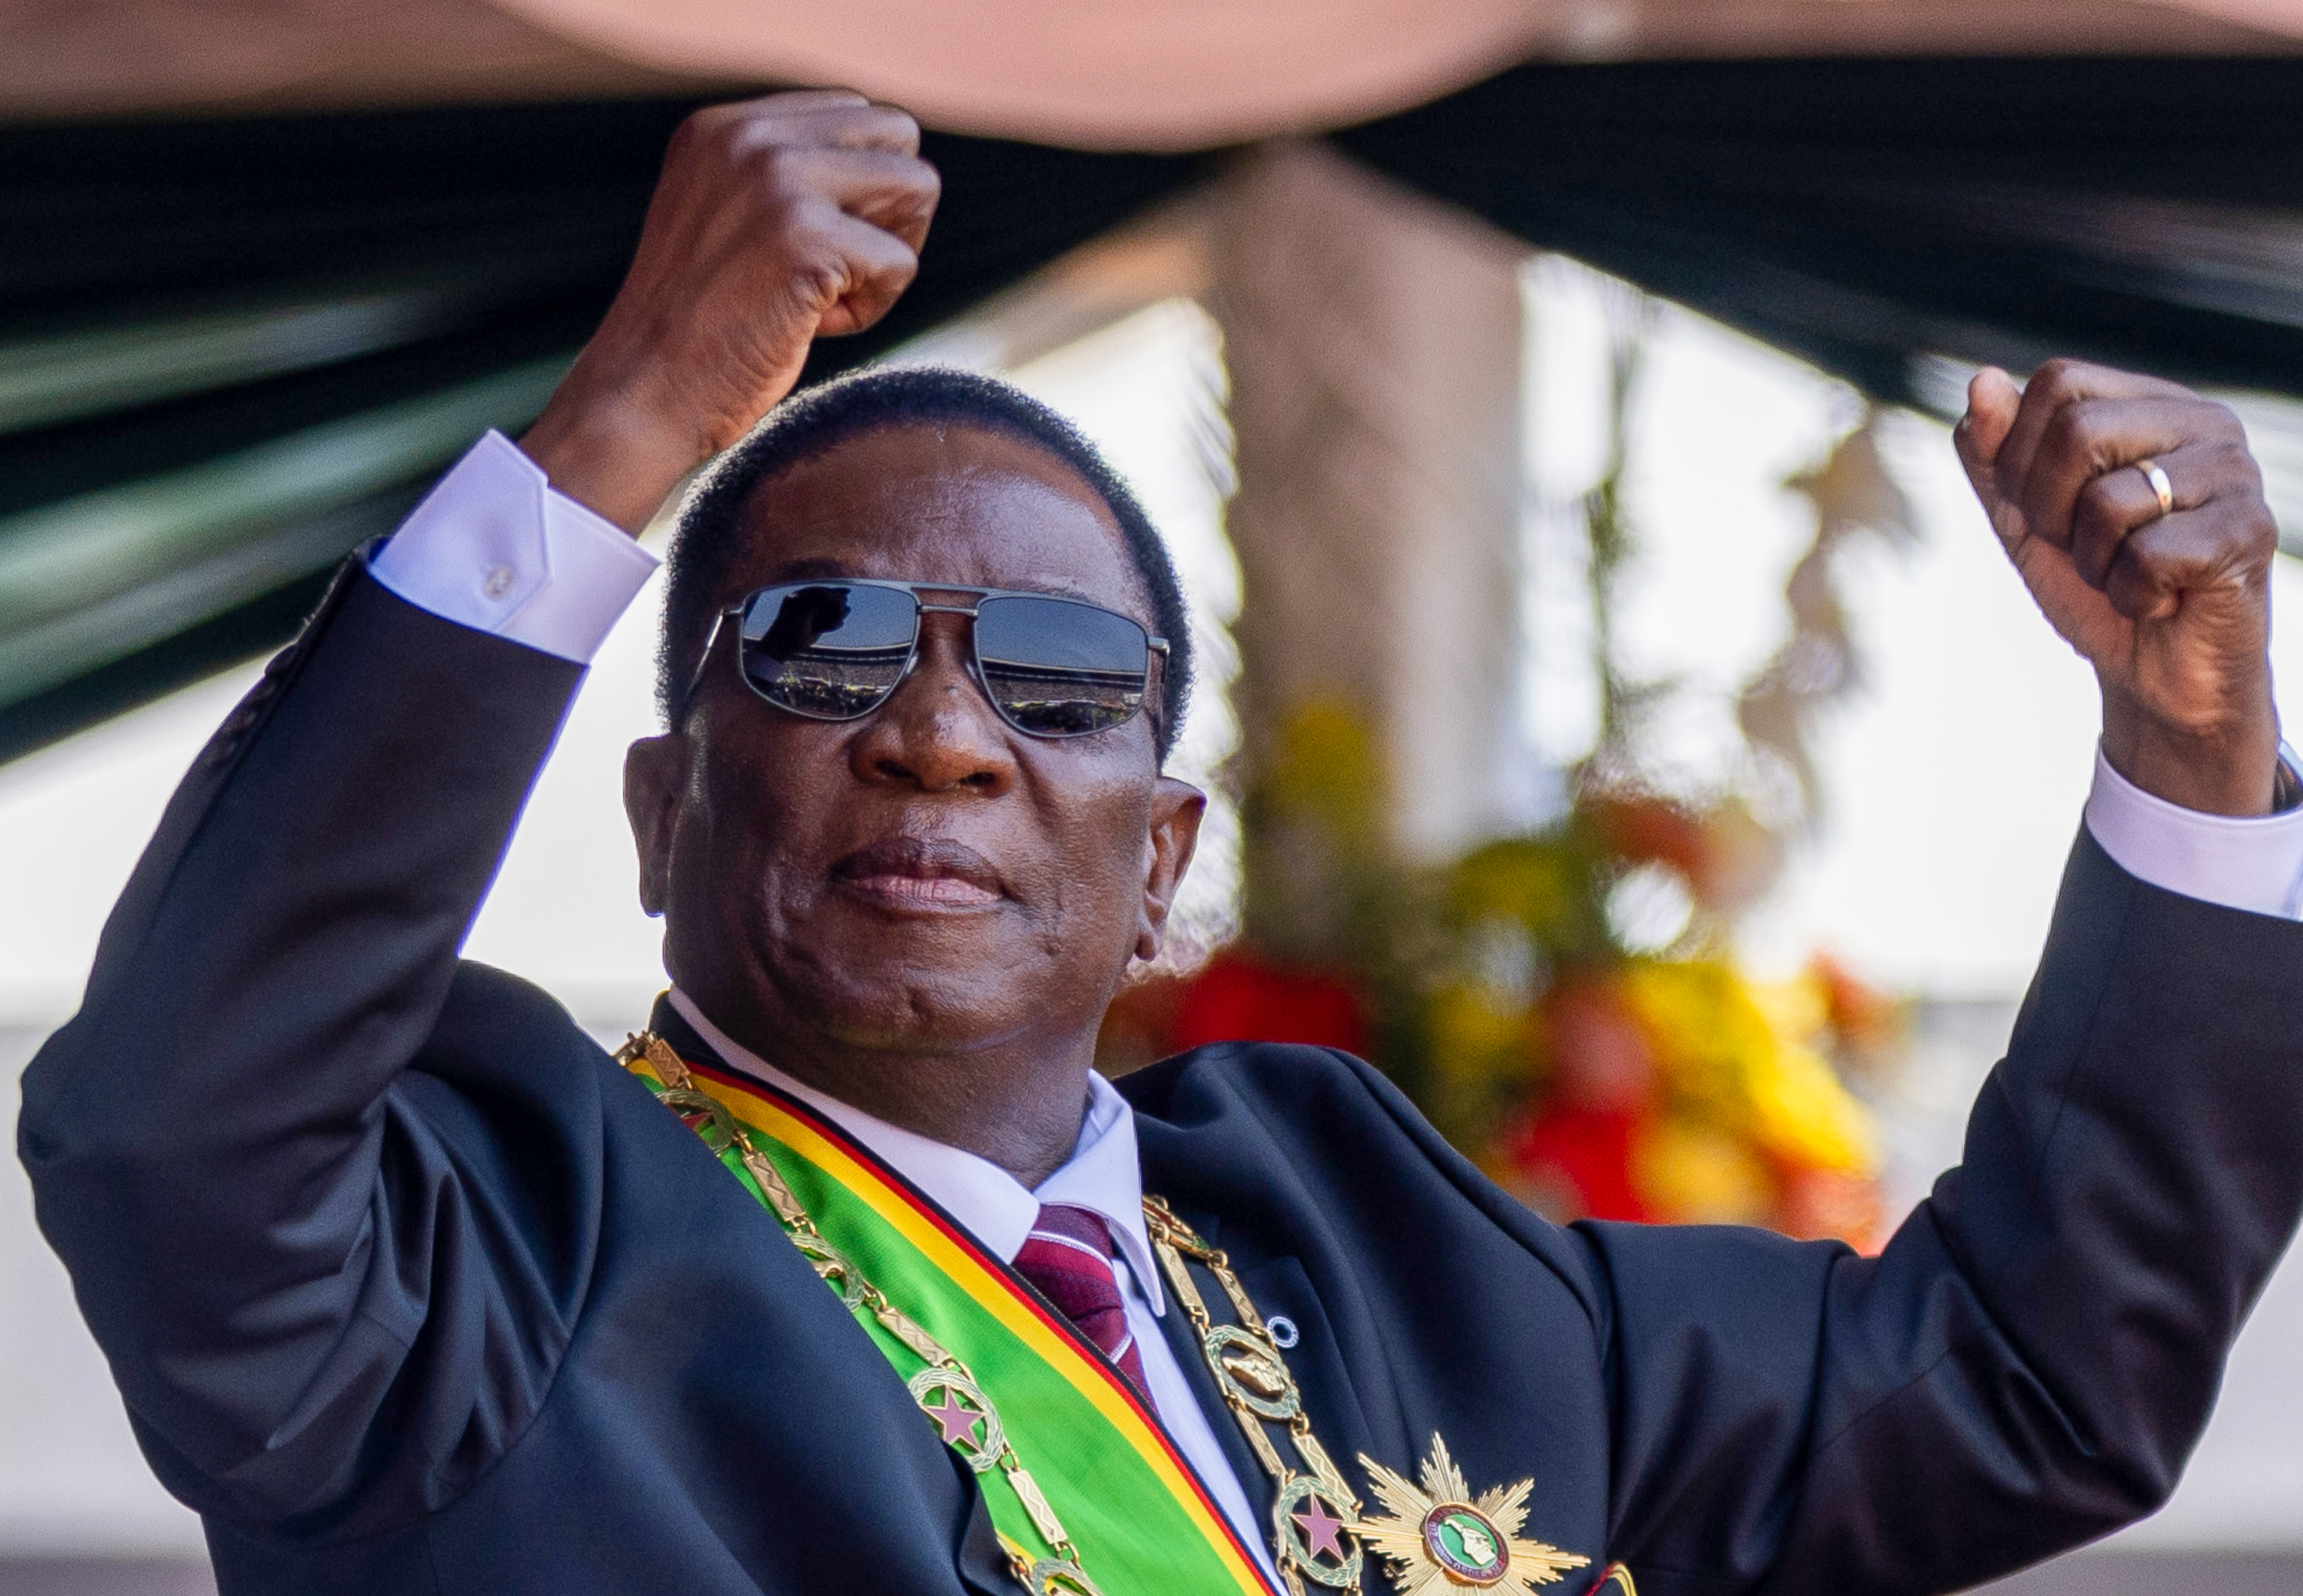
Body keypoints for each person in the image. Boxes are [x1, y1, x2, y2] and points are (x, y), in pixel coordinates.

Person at [18, 89, 2303, 1596]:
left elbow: (2028, 1374)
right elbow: (166, 1125)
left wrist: (2192, 738)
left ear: (1168, 856)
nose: (938, 730)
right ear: (658, 804)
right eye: (815, 646)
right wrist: (624, 418)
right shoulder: (477, 1259)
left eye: (1056, 676)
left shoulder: (1389, 1247)